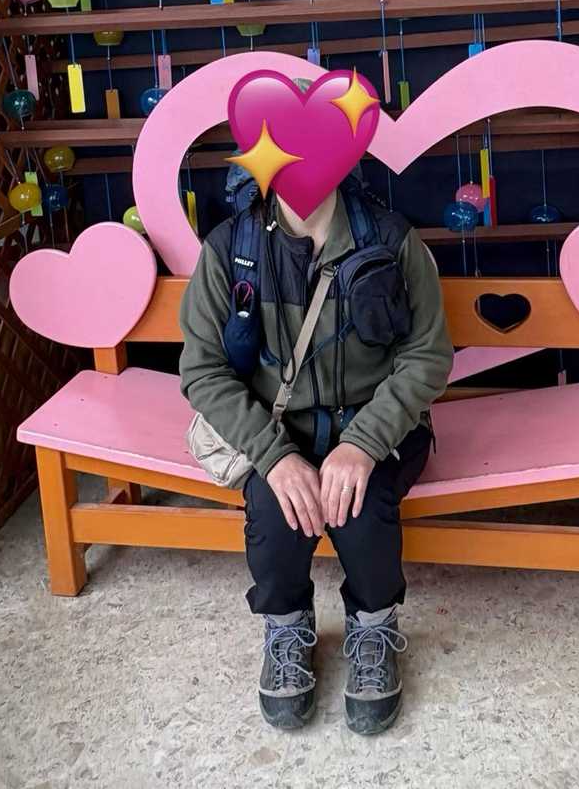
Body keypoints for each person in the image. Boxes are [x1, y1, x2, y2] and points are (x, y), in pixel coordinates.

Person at [179, 170, 453, 735]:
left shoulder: (391, 239)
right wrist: (273, 455)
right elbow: (203, 370)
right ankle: (286, 625)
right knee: (275, 507)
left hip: (379, 423)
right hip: (276, 429)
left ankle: (373, 625)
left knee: (359, 504)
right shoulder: (230, 248)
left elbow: (427, 357)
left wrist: (364, 443)